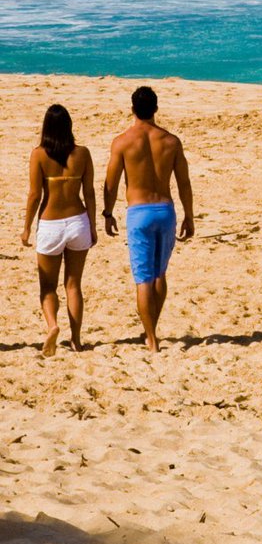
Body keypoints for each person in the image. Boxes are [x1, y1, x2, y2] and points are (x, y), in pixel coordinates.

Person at [103, 86, 195, 352]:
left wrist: (108, 213)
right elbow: (184, 183)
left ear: (132, 109)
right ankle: (152, 327)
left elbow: (110, 184)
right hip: (165, 210)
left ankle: (151, 338)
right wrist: (189, 215)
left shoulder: (122, 142)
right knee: (159, 274)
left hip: (138, 212)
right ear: (156, 109)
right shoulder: (171, 141)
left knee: (143, 278)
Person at [22, 105, 96, 355]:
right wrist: (93, 226)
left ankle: (53, 326)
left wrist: (26, 228)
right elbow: (89, 193)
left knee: (48, 286)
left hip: (51, 223)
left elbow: (34, 195)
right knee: (73, 285)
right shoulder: (82, 154)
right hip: (78, 221)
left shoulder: (39, 155)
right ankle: (76, 340)